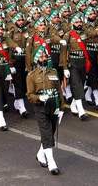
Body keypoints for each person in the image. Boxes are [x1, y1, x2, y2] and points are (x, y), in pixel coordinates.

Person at [26, 46, 64, 175]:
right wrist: (39, 97)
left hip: (53, 105)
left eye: (45, 56)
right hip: (40, 107)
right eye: (41, 57)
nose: (44, 58)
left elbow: (59, 91)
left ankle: (40, 154)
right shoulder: (31, 76)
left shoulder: (53, 72)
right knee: (46, 133)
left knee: (51, 131)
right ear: (37, 59)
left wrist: (62, 107)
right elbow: (30, 95)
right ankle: (51, 163)